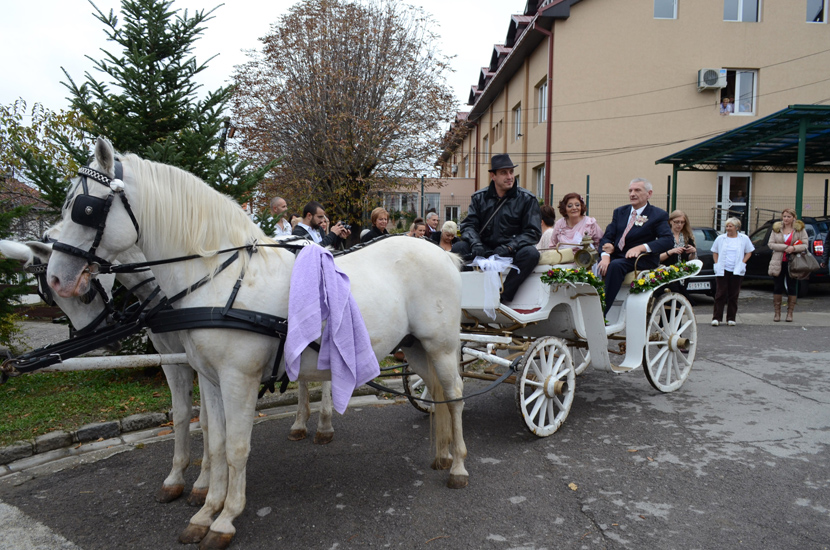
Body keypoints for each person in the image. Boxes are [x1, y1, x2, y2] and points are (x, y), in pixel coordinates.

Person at [456, 154, 541, 302]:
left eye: (511, 172)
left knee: (531, 253)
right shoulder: (479, 198)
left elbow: (532, 232)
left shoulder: (527, 199)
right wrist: (476, 243)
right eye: (504, 173)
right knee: (459, 248)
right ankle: (465, 295)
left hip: (511, 251)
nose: (509, 176)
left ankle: (503, 297)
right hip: (484, 248)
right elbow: (468, 225)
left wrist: (509, 247)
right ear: (493, 176)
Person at [598, 178, 673, 315]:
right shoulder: (620, 212)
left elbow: (668, 240)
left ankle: (602, 311)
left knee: (616, 266)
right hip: (618, 256)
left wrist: (641, 247)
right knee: (594, 264)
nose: (632, 194)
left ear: (649, 194)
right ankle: (588, 306)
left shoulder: (658, 215)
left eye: (637, 190)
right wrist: (605, 256)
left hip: (642, 259)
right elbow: (608, 236)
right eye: (630, 190)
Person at [711, 217, 754, 326]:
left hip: (736, 270)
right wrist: (716, 263)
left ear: (737, 227)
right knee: (720, 294)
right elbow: (715, 251)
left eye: (730, 226)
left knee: (733, 295)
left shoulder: (743, 238)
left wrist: (743, 262)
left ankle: (731, 318)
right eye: (727, 226)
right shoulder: (720, 238)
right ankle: (717, 318)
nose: (728, 228)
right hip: (723, 269)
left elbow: (749, 252)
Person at [768, 208, 808, 322]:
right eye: (784, 216)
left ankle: (790, 313)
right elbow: (770, 244)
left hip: (793, 261)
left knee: (791, 286)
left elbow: (805, 245)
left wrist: (794, 248)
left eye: (788, 217)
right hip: (778, 261)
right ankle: (777, 313)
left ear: (793, 218)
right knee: (777, 286)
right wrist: (785, 247)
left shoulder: (799, 229)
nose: (786, 219)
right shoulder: (776, 229)